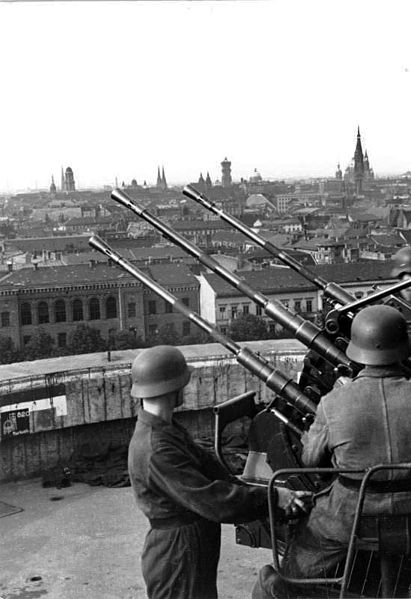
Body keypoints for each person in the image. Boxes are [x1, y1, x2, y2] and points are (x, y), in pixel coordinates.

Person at [128, 345, 311, 599]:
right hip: (177, 551)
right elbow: (212, 499)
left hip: (188, 543)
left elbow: (216, 474)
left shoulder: (166, 429)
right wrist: (274, 498)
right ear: (172, 387)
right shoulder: (157, 447)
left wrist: (268, 492)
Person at [252, 304, 411, 598]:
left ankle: (286, 587)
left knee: (299, 554)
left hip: (350, 516)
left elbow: (310, 461)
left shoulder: (336, 402)